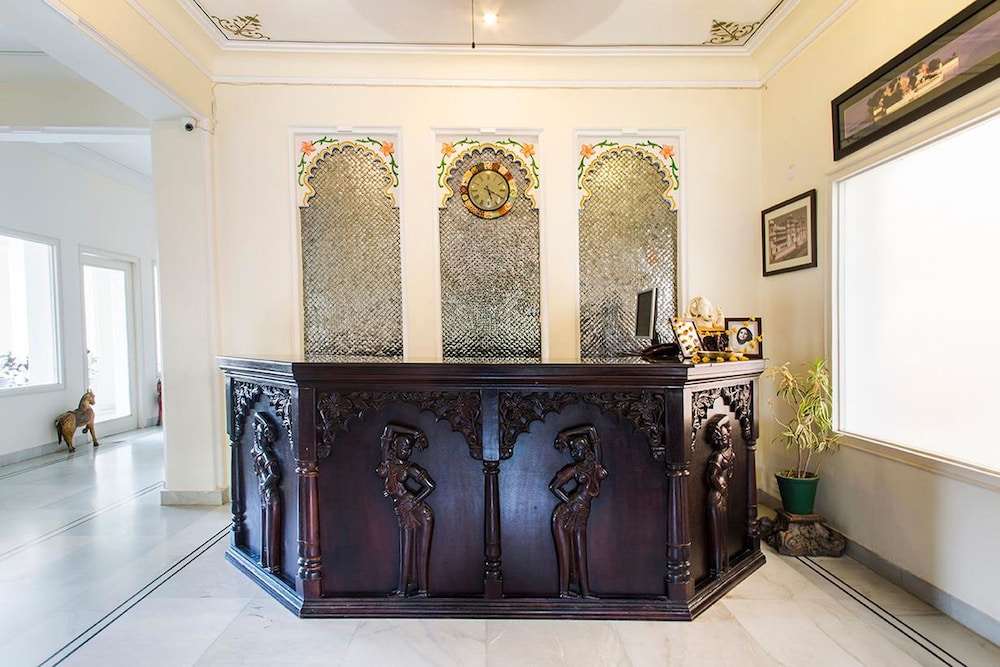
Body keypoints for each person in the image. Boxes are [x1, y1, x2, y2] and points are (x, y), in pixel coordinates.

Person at [549, 424, 609, 599]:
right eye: (573, 450)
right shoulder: (574, 469)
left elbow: (591, 430)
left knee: (581, 551)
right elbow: (554, 487)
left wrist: (565, 433)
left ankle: (586, 592)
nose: (575, 453)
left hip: (582, 513)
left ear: (587, 449)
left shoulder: (595, 465)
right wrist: (570, 501)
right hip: (565, 514)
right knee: (565, 553)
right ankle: (564, 592)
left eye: (578, 449)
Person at [376, 423, 436, 597]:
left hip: (418, 510)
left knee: (420, 552)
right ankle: (403, 590)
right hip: (402, 508)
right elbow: (388, 429)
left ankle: (422, 591)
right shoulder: (388, 463)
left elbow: (430, 486)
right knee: (406, 547)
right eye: (403, 447)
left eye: (409, 448)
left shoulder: (410, 468)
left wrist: (414, 502)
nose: (406, 451)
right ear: (394, 448)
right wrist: (416, 432)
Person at [251, 412, 282, 573]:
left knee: (271, 525)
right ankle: (268, 560)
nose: (259, 438)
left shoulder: (264, 455)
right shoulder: (259, 452)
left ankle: (272, 562)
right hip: (266, 492)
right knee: (267, 522)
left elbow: (274, 474)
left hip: (270, 493)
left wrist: (265, 484)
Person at [705, 414, 735, 577]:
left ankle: (724, 564)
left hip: (721, 494)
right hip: (716, 495)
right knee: (717, 529)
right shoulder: (717, 457)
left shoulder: (726, 453)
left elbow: (727, 421)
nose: (725, 440)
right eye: (721, 438)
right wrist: (721, 486)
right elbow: (711, 476)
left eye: (726, 437)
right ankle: (717, 567)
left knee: (722, 528)